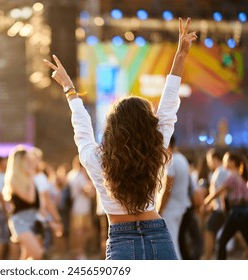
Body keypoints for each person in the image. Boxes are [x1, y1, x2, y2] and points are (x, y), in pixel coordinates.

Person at [44, 17, 197, 260]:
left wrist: (69, 88)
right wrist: (180, 55)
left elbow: (81, 126)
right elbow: (169, 106)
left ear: (112, 127)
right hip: (159, 235)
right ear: (147, 125)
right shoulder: (155, 149)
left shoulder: (97, 159)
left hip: (121, 241)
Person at [204, 152, 248, 259]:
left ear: (232, 163)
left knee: (222, 241)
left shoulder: (233, 176)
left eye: (226, 161)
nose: (224, 163)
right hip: (244, 211)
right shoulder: (241, 176)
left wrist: (206, 201)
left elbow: (218, 192)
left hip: (237, 212)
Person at [2, 146, 43, 260]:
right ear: (19, 161)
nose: (29, 162)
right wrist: (31, 175)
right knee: (37, 254)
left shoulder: (27, 177)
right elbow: (30, 199)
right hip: (20, 221)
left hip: (32, 219)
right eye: (26, 159)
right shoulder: (13, 179)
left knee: (27, 256)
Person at [159, 135, 191, 259]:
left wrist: (160, 209)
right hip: (181, 207)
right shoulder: (183, 159)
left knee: (171, 243)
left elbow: (167, 189)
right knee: (175, 242)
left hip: (170, 209)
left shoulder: (170, 160)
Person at [202, 148, 229, 259]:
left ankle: (207, 257)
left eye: (209, 160)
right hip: (220, 208)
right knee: (235, 231)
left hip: (220, 209)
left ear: (215, 158)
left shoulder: (220, 172)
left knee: (209, 230)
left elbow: (222, 191)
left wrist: (207, 201)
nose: (209, 163)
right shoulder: (218, 172)